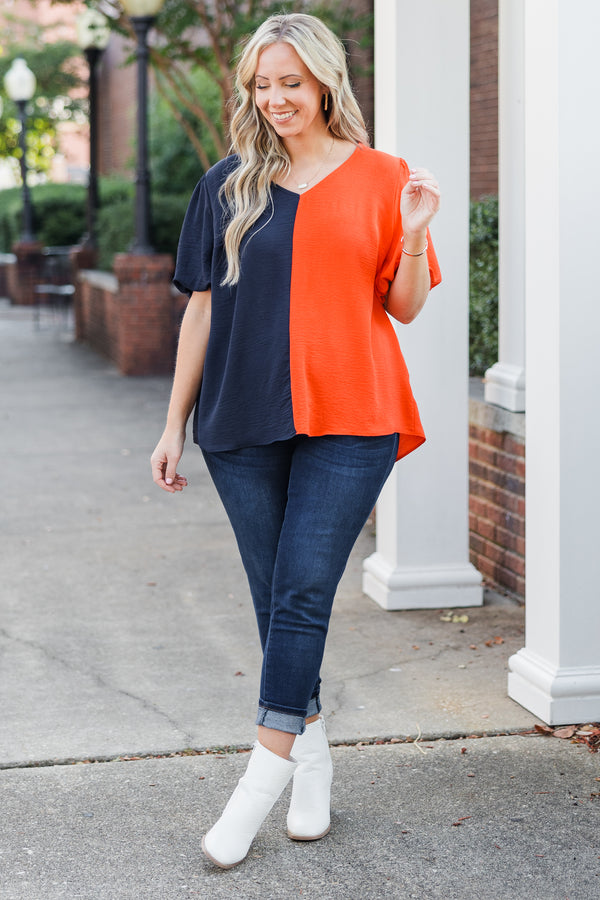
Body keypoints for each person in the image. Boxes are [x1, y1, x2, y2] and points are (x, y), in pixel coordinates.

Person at [151, 12, 441, 869]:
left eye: (290, 82)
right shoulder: (227, 184)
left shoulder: (384, 176)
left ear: (323, 83)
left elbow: (405, 307)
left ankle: (259, 779)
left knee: (304, 591)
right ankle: (310, 762)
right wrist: (172, 424)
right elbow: (200, 308)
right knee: (277, 603)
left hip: (353, 416)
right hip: (240, 421)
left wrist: (417, 233)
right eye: (262, 84)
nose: (275, 98)